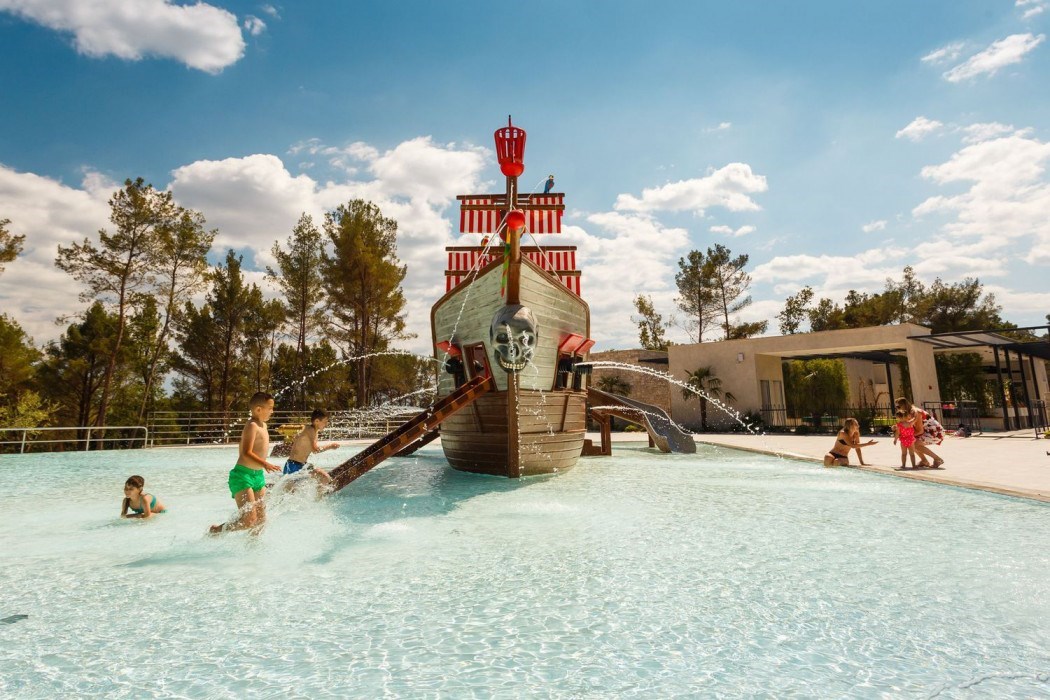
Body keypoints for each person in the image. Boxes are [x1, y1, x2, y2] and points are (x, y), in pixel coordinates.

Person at [210, 392, 282, 534]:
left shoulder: (264, 426)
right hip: (242, 475)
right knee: (249, 520)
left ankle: (253, 550)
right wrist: (265, 463)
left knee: (261, 520)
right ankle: (217, 530)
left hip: (258, 476)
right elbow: (246, 452)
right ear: (258, 409)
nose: (272, 411)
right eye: (270, 408)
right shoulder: (252, 426)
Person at [282, 409, 339, 487]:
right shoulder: (311, 430)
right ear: (317, 421)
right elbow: (315, 450)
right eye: (325, 422)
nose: (326, 424)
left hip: (300, 465)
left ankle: (319, 498)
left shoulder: (311, 430)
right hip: (293, 466)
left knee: (323, 477)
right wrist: (330, 446)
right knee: (323, 477)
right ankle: (320, 497)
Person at [894, 398, 944, 468]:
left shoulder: (915, 412)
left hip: (935, 433)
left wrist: (906, 436)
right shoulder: (909, 413)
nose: (897, 409)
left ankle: (937, 459)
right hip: (927, 431)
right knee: (911, 442)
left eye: (898, 407)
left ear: (904, 405)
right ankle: (924, 461)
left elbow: (920, 431)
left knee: (913, 443)